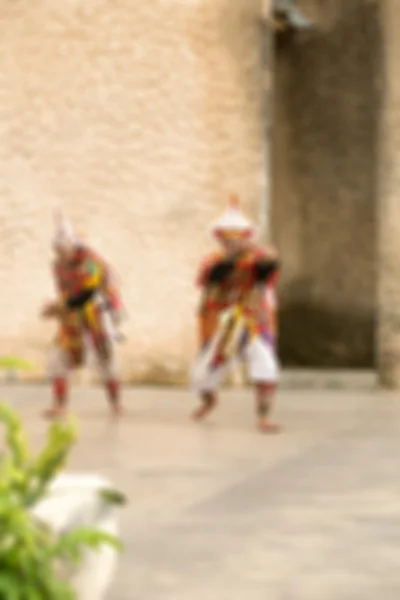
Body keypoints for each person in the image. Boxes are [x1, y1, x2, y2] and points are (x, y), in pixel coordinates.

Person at [191, 195, 281, 433]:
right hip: (222, 324)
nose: (231, 244)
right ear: (219, 239)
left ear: (246, 238)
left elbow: (268, 268)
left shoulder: (257, 260)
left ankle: (263, 416)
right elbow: (213, 276)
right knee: (203, 376)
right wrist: (234, 258)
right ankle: (209, 401)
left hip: (251, 321)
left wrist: (267, 256)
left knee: (266, 366)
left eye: (237, 239)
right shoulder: (213, 261)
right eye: (226, 239)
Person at [41, 214, 125, 419]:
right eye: (57, 250)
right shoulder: (58, 265)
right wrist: (57, 308)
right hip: (71, 319)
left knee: (106, 359)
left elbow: (89, 293)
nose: (59, 253)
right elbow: (66, 293)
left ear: (72, 245)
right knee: (59, 358)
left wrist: (62, 305)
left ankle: (115, 403)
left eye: (62, 249)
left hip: (96, 316)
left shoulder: (90, 261)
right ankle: (60, 405)